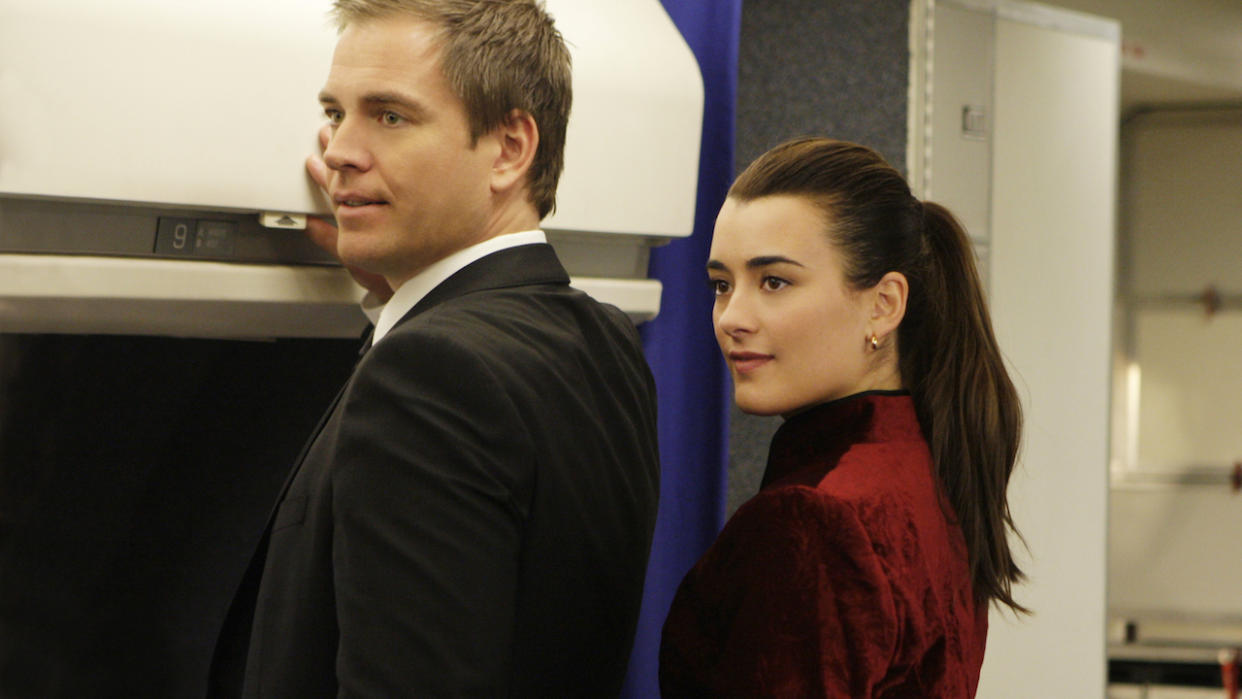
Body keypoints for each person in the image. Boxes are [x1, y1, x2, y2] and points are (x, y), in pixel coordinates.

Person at [209, 1, 661, 696]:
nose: (340, 152)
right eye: (335, 113)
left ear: (510, 149)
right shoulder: (602, 338)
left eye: (390, 116)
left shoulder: (426, 375)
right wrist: (391, 284)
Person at [659, 137, 1026, 698]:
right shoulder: (924, 471)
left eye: (774, 282)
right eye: (721, 285)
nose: (732, 317)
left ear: (884, 304)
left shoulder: (815, 519)